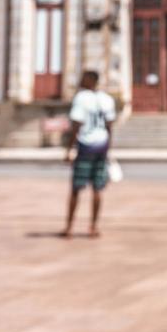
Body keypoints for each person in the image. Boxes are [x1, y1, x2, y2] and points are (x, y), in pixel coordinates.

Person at [62, 69, 116, 238]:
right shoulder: (106, 99)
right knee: (97, 188)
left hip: (85, 146)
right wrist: (109, 148)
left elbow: (76, 125)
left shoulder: (81, 98)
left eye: (83, 78)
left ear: (89, 80)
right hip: (102, 146)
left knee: (76, 188)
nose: (80, 81)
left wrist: (70, 149)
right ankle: (93, 226)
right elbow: (109, 126)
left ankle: (69, 226)